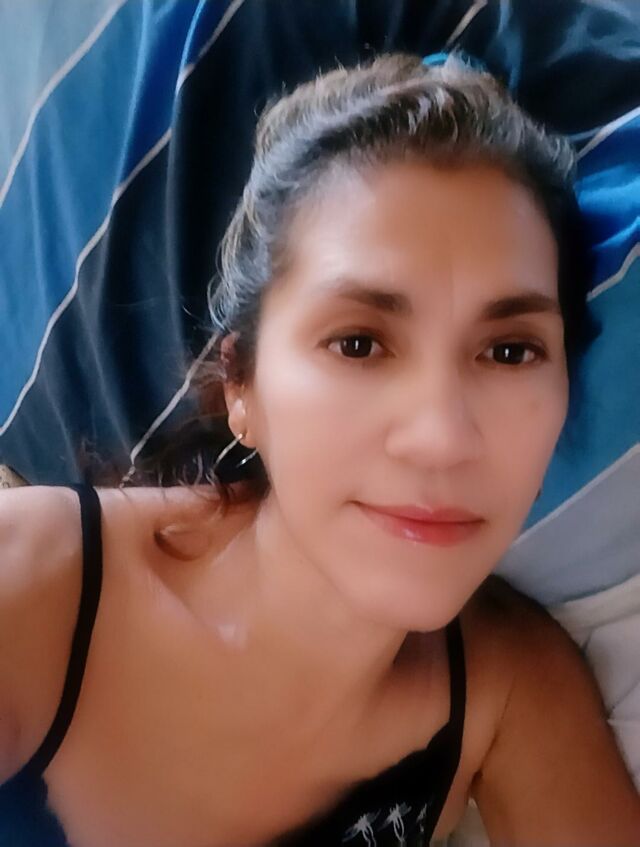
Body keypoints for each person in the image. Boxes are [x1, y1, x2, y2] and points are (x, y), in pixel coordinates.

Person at [1, 53, 639, 847]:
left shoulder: (509, 690)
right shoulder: (29, 591)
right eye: (359, 343)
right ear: (241, 384)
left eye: (510, 351)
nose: (442, 437)